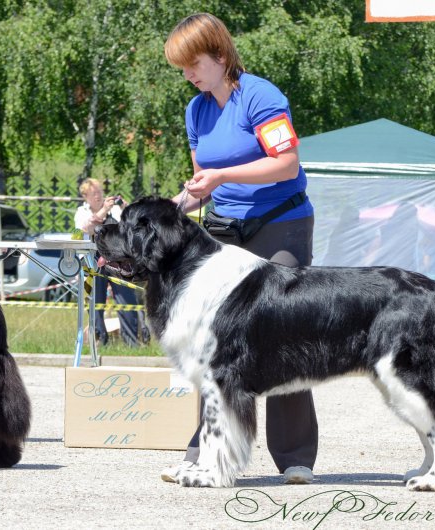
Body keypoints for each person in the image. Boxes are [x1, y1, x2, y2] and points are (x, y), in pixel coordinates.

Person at [162, 12, 318, 486]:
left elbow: (286, 165)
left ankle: (295, 458)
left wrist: (225, 176)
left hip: (281, 226)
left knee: (283, 335)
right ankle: (207, 450)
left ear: (221, 55)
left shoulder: (261, 97)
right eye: (182, 67)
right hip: (224, 232)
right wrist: (174, 207)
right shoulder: (196, 110)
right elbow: (201, 185)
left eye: (194, 63)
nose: (187, 74)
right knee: (213, 344)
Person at [74, 178, 140, 347]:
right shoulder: (81, 212)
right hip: (93, 260)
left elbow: (130, 228)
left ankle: (131, 343)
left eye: (100, 193)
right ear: (85, 196)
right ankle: (99, 342)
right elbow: (86, 229)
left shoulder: (115, 210)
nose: (98, 196)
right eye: (94, 193)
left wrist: (127, 210)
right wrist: (103, 210)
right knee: (96, 301)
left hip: (118, 260)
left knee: (126, 299)